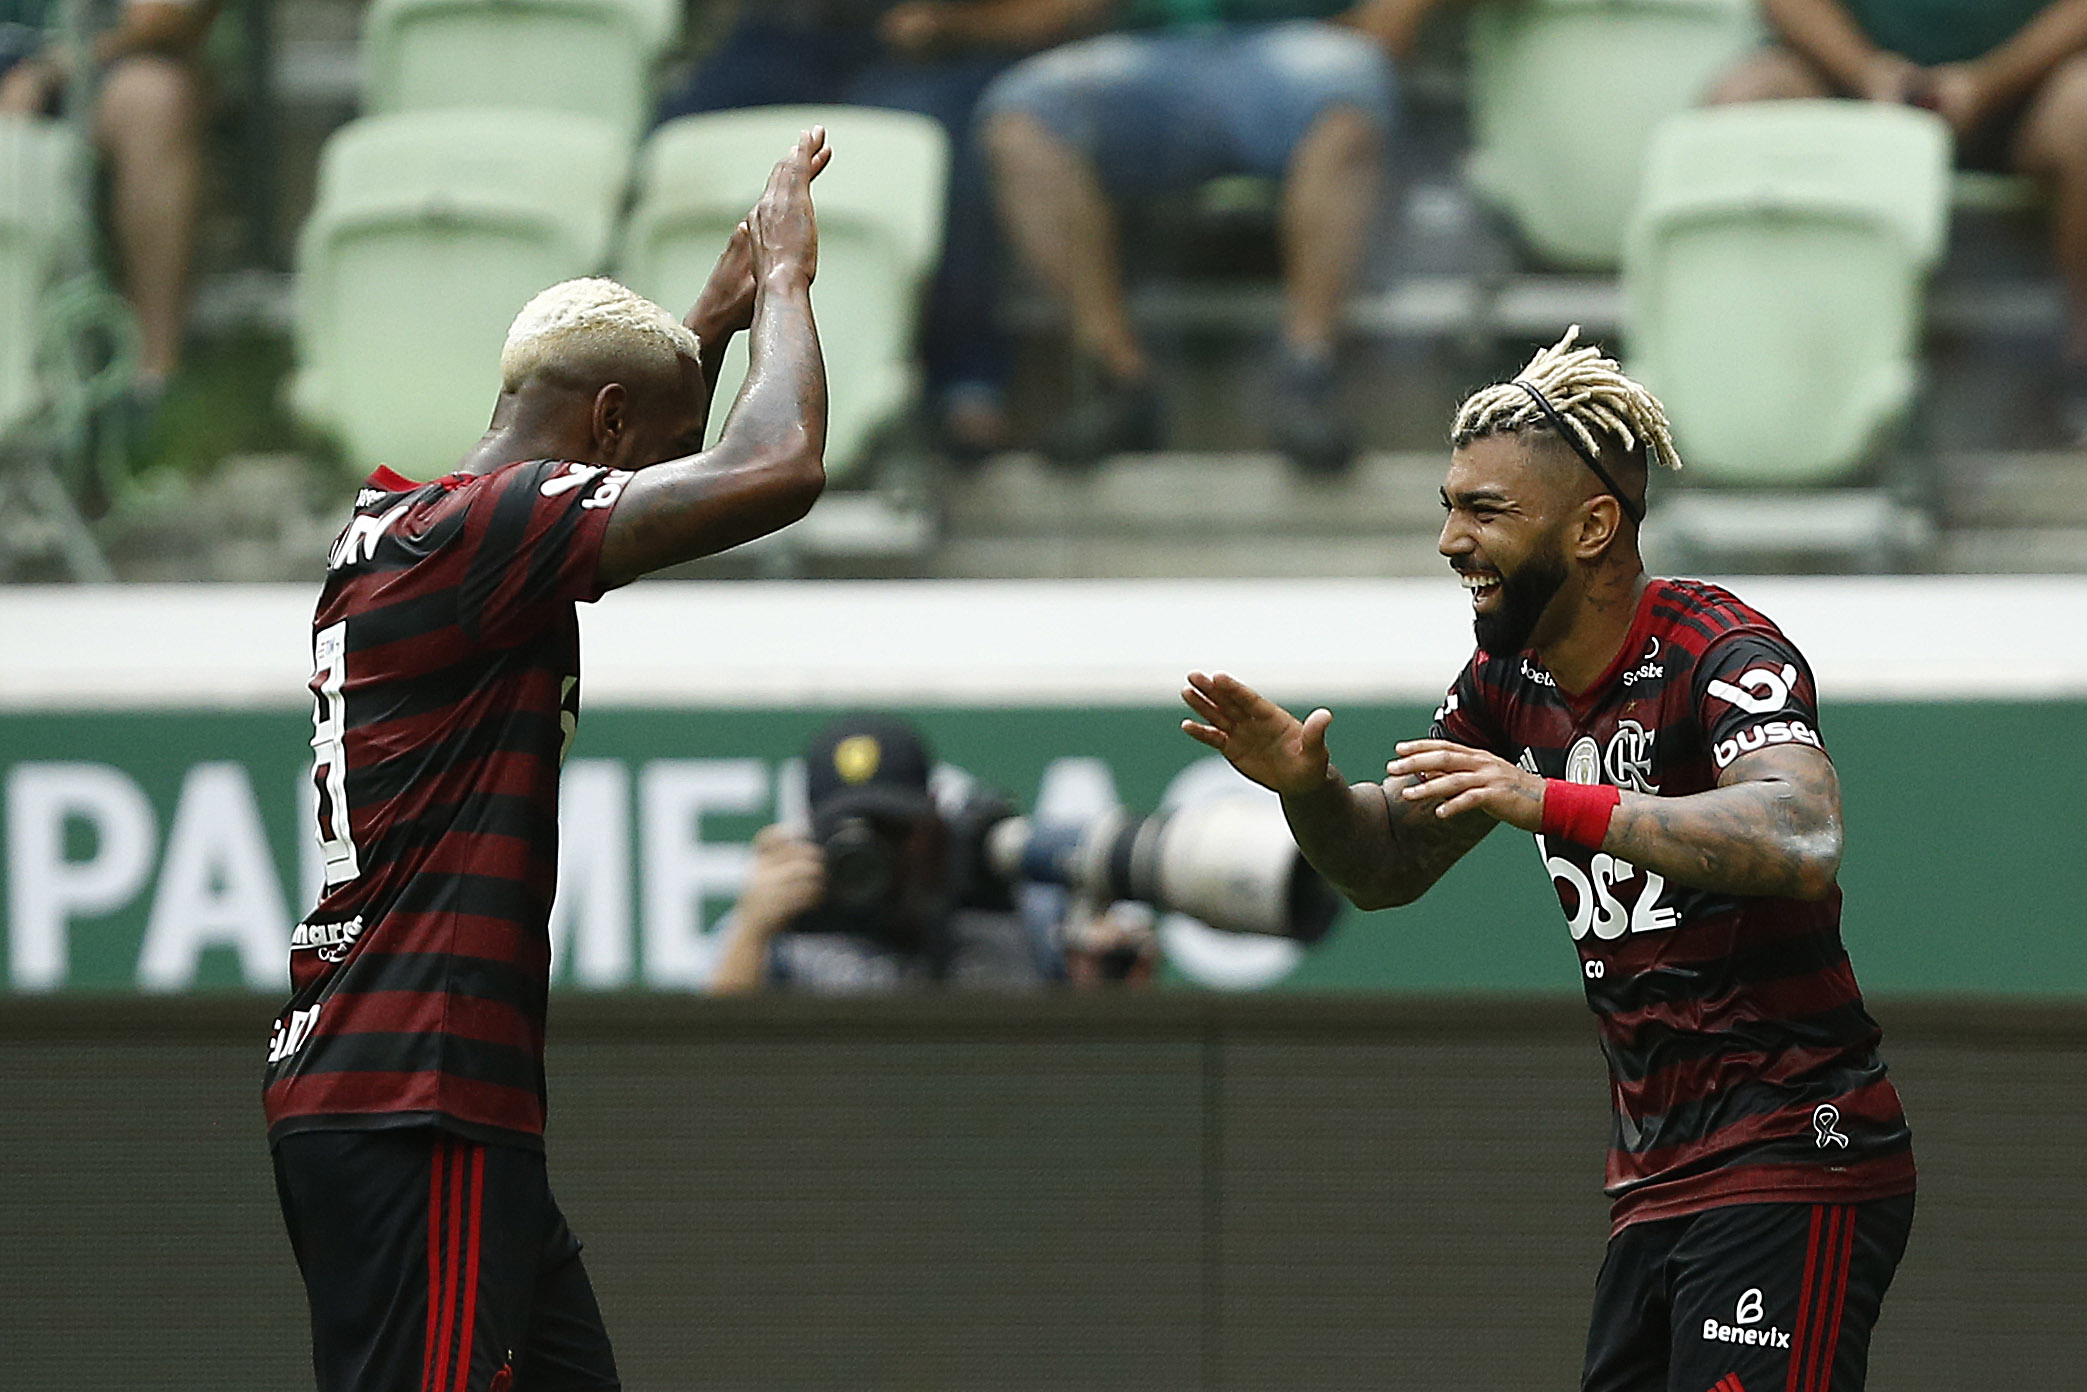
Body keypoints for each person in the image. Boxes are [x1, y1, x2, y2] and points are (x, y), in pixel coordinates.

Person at [1181, 329, 1916, 1392]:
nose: (1447, 539)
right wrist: (1305, 791)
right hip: (1655, 1181)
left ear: (1590, 527)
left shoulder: (1720, 651)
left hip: (1794, 1153)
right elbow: (1386, 868)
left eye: (1483, 511)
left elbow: (1796, 835)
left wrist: (1547, 799)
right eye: (1446, 505)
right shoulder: (1503, 685)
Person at [263, 128, 831, 1392]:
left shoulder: (411, 531)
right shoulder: (484, 534)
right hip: (422, 1090)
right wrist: (787, 279)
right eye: (645, 451)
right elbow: (777, 466)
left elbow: (619, 428)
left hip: (387, 1085)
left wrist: (707, 325)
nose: (651, 503)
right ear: (609, 426)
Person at [977, 0, 1440, 471]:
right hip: (1149, 48)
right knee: (1022, 117)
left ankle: (1306, 378)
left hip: (1299, 41)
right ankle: (1120, 380)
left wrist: (1382, 24)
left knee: (1349, 87)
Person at [657, 0, 1092, 459]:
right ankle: (666, 383)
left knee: (927, 159)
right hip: (793, 35)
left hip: (946, 45)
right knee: (676, 137)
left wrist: (953, 24)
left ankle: (964, 383)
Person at [1710, 0, 2087, 434]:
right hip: (1849, 85)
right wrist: (1866, 71)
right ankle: (1756, 387)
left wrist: (1990, 82)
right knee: (1747, 101)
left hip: (2031, 91)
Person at [710, 713, 1064, 993]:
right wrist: (752, 931)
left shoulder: (1007, 909)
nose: (880, 853)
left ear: (933, 818)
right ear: (811, 829)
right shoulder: (781, 931)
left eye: (894, 829)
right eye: (850, 832)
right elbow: (713, 1060)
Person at [0, 0, 218, 405]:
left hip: (91, 72)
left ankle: (149, 386)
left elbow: (167, 15)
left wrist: (48, 70)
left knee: (155, 98)